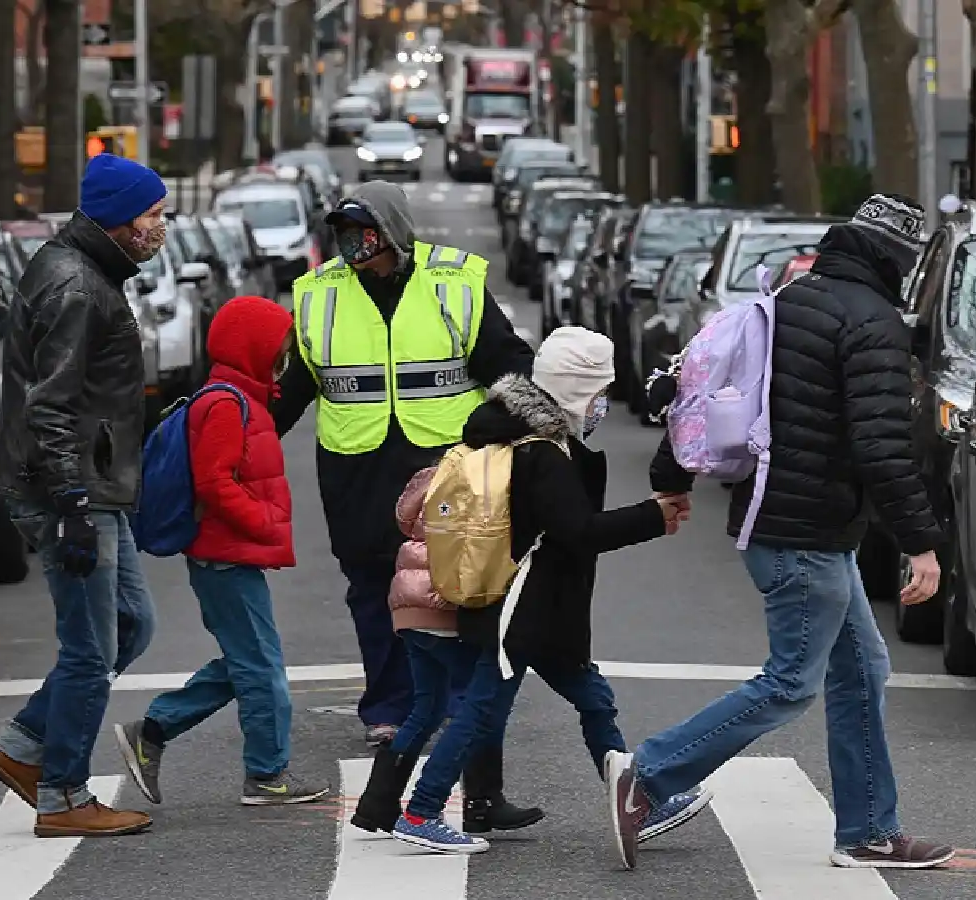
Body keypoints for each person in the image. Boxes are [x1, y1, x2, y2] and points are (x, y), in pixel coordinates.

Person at [610, 194, 956, 871]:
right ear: (899, 261)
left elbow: (703, 387)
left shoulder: (787, 303)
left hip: (783, 524)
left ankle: (868, 830)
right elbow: (882, 448)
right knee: (791, 682)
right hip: (807, 532)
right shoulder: (875, 324)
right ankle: (649, 776)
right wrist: (922, 544)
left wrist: (671, 477)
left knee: (861, 667)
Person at [273, 180, 539, 830]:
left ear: (393, 232)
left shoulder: (455, 283)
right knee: (372, 588)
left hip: (445, 467)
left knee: (452, 588)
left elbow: (508, 367)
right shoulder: (316, 296)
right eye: (343, 235)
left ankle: (446, 702)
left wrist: (532, 430)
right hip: (355, 466)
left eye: (365, 234)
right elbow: (291, 389)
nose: (354, 248)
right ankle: (389, 708)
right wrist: (238, 445)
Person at [391, 327, 712, 855]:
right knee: (481, 709)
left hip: (537, 610)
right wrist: (652, 516)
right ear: (575, 389)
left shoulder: (514, 437)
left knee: (593, 700)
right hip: (521, 611)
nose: (604, 403)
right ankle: (422, 811)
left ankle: (642, 800)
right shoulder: (540, 453)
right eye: (598, 392)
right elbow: (576, 531)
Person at [0, 153, 166, 837]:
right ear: (119, 221)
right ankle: (62, 795)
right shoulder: (77, 288)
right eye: (152, 215)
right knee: (91, 648)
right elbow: (50, 407)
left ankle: (24, 745)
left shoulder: (88, 273)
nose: (160, 226)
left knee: (131, 626)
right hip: (70, 489)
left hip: (90, 483)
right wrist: (74, 509)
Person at [113, 295, 330, 808]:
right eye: (277, 346)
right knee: (261, 667)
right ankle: (266, 773)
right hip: (224, 555)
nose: (284, 355)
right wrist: (263, 521)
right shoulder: (225, 405)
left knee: (246, 660)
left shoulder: (242, 399)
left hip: (228, 554)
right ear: (252, 346)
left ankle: (154, 729)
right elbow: (215, 482)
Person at [351, 468, 542, 836]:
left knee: (427, 707)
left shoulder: (434, 473)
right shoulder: (487, 476)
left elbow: (405, 517)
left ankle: (377, 803)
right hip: (444, 605)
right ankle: (440, 806)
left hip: (409, 600)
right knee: (478, 704)